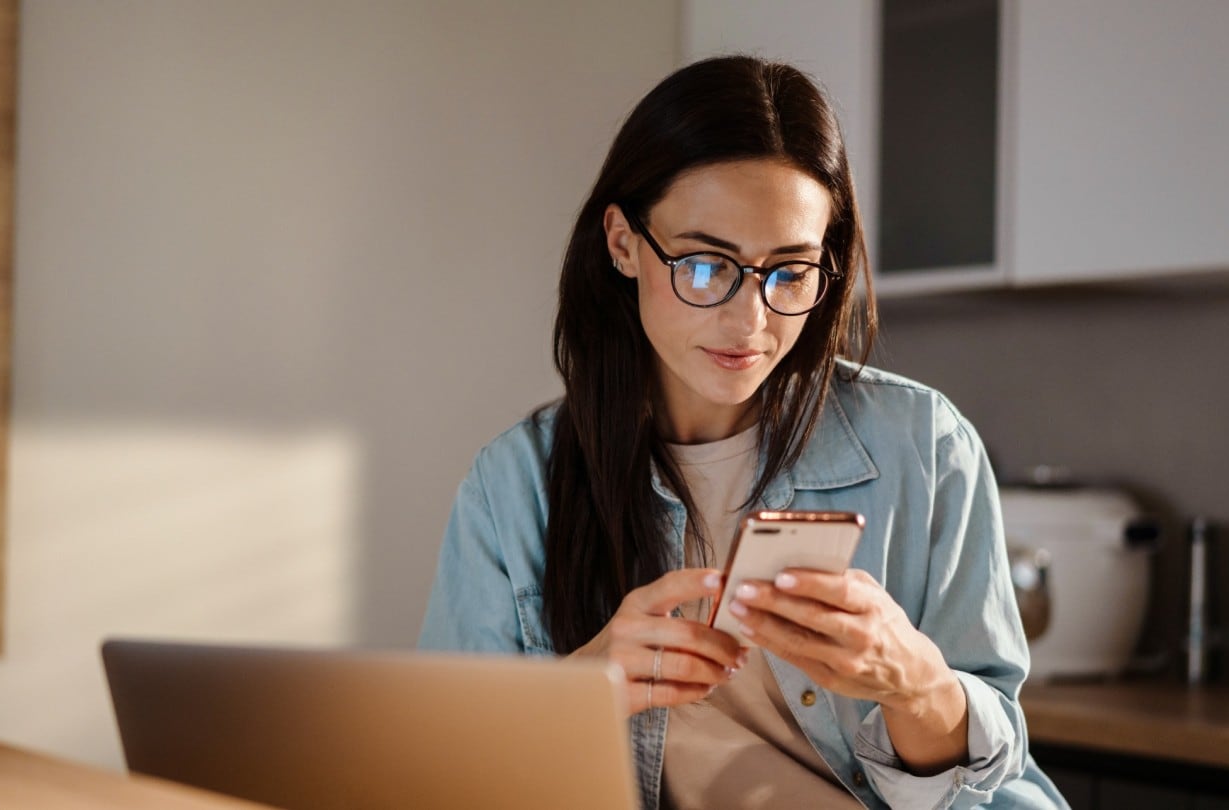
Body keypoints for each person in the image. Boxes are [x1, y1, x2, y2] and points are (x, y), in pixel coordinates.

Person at [419, 55, 1065, 810]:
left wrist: (911, 680)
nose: (750, 322)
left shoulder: (924, 444)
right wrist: (583, 688)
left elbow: (986, 772)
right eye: (704, 265)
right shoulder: (514, 487)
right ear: (622, 243)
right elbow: (444, 767)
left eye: (789, 272)